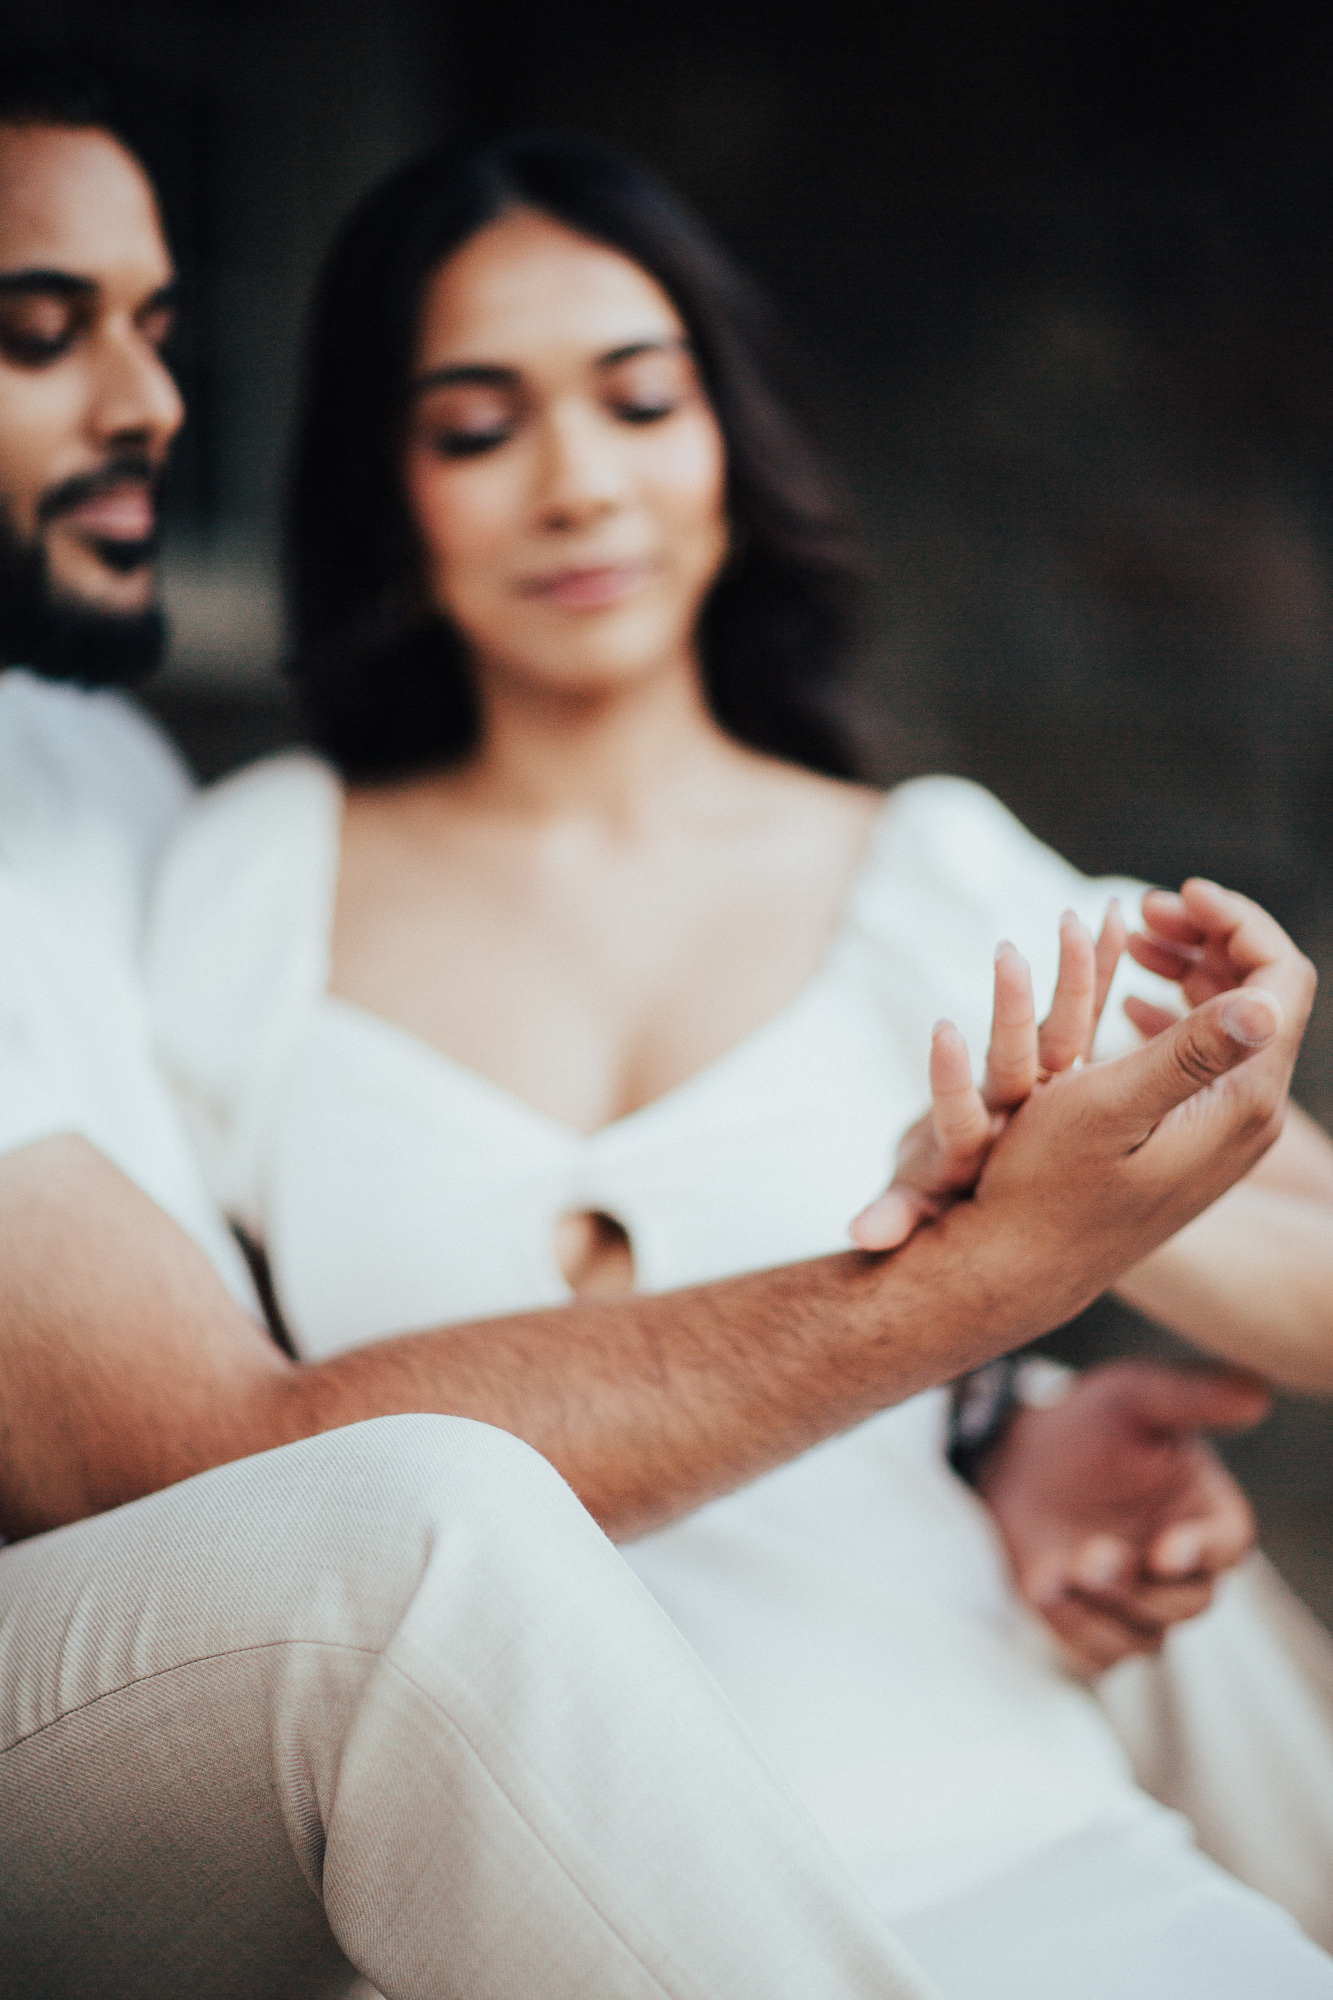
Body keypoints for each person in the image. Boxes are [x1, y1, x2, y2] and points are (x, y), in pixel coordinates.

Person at [0, 69, 1321, 2000]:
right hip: (530, 1888)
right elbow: (210, 1428)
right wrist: (964, 1305)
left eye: (639, 398)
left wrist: (1084, 1282)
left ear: (728, 438)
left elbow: (1280, 1262)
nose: (578, 485)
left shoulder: (930, 877)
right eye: (476, 425)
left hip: (1001, 1814)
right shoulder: (225, 877)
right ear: (387, 484)